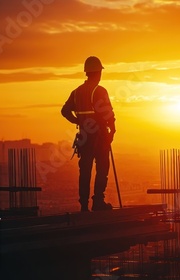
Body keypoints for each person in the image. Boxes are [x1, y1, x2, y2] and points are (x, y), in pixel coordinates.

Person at [61, 56, 116, 211]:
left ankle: (84, 205)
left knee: (85, 171)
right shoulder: (99, 91)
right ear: (98, 72)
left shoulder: (77, 92)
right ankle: (98, 202)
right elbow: (108, 114)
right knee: (102, 168)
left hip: (84, 137)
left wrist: (78, 121)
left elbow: (65, 111)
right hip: (99, 137)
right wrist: (112, 130)